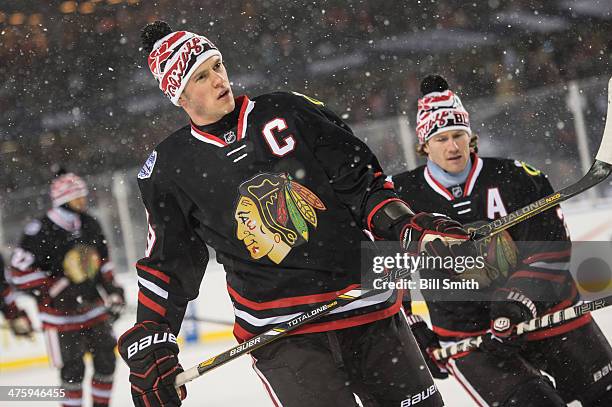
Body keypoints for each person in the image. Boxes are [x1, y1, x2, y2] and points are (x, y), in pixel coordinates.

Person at [116, 21, 478, 407]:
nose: (219, 79)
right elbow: (170, 264)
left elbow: (363, 187)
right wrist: (154, 336)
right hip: (283, 336)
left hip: (367, 308)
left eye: (217, 66)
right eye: (202, 76)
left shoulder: (291, 110)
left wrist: (407, 225)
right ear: (180, 95)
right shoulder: (169, 168)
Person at [393, 75, 612, 406]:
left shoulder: (518, 177)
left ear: (471, 137)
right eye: (441, 139)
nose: (452, 147)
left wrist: (515, 302)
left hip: (550, 316)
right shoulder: (400, 196)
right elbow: (386, 267)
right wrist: (410, 328)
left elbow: (550, 250)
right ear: (423, 144)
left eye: (458, 135)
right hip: (472, 338)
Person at [9, 170, 125, 407]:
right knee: (73, 371)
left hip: (93, 309)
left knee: (107, 362)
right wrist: (55, 288)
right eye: (77, 197)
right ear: (63, 200)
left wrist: (113, 291)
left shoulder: (90, 223)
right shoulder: (39, 230)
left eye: (83, 195)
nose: (83, 201)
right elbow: (18, 274)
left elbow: (103, 263)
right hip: (58, 317)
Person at [0, 253, 33, 337]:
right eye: (25, 325)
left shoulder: (9, 311)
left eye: (21, 326)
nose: (23, 322)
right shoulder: (15, 310)